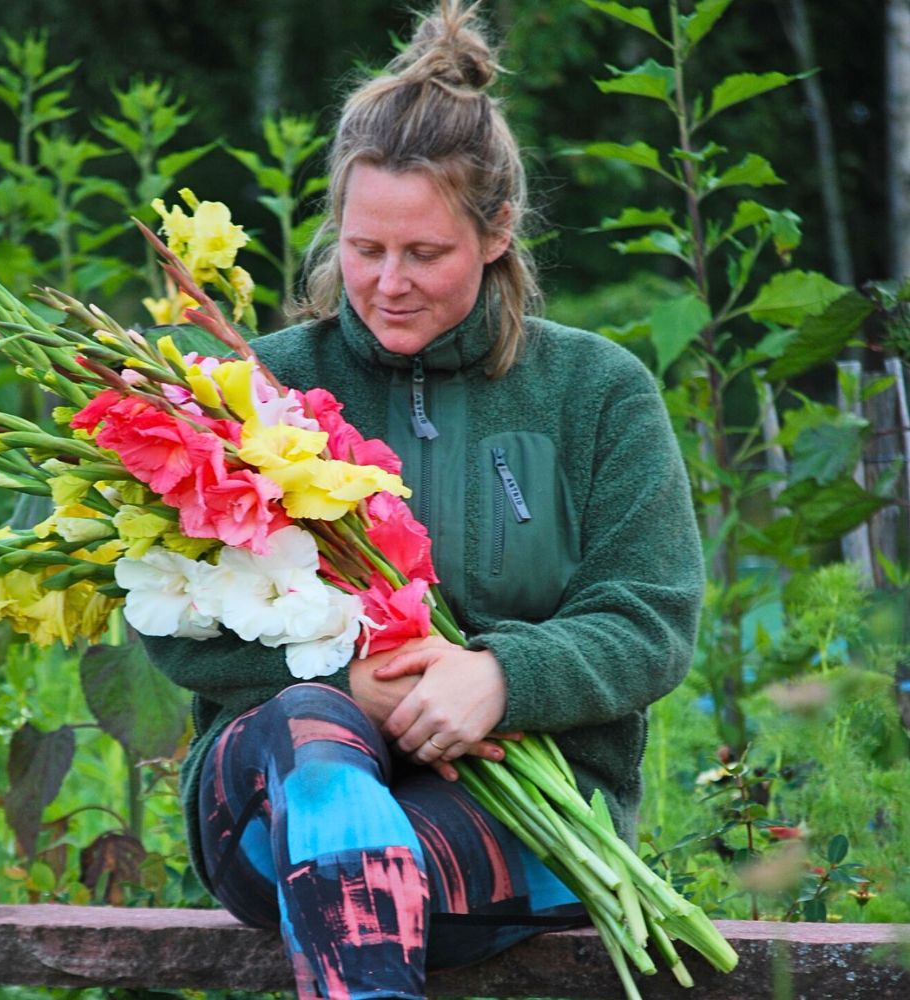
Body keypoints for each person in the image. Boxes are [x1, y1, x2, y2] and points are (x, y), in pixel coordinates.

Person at [141, 1, 705, 996]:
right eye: (365, 250)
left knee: (362, 858)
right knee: (317, 748)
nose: (387, 283)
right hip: (270, 806)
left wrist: (501, 675)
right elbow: (168, 614)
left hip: (524, 818)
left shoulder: (596, 392)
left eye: (425, 254)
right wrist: (343, 681)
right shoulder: (244, 391)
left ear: (495, 234)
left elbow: (650, 617)